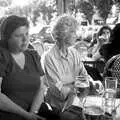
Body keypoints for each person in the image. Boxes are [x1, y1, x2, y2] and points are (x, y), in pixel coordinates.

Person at [41, 14, 103, 112]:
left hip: (77, 102)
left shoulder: (74, 53)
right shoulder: (48, 57)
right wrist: (77, 86)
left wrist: (93, 83)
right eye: (72, 31)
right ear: (63, 34)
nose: (76, 35)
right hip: (57, 108)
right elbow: (59, 92)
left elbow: (84, 76)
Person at [0, 15, 45, 120]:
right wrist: (27, 116)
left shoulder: (33, 55)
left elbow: (41, 87)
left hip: (34, 110)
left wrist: (33, 113)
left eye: (27, 33)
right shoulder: (2, 56)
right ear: (7, 38)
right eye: (18, 35)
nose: (25, 39)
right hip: (8, 114)